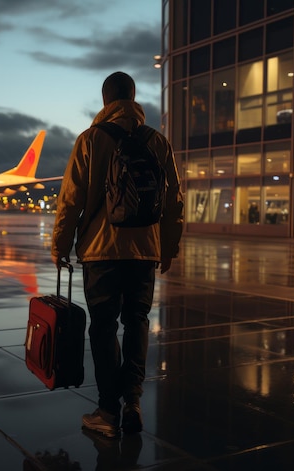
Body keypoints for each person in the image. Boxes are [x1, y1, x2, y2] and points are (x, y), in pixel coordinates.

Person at [51, 71, 184, 438]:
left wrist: (60, 246)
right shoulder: (158, 142)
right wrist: (167, 247)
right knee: (138, 321)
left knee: (104, 326)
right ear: (134, 98)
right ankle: (134, 402)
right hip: (144, 251)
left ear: (106, 100)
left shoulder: (90, 140)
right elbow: (174, 201)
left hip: (101, 252)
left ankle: (107, 411)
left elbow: (71, 201)